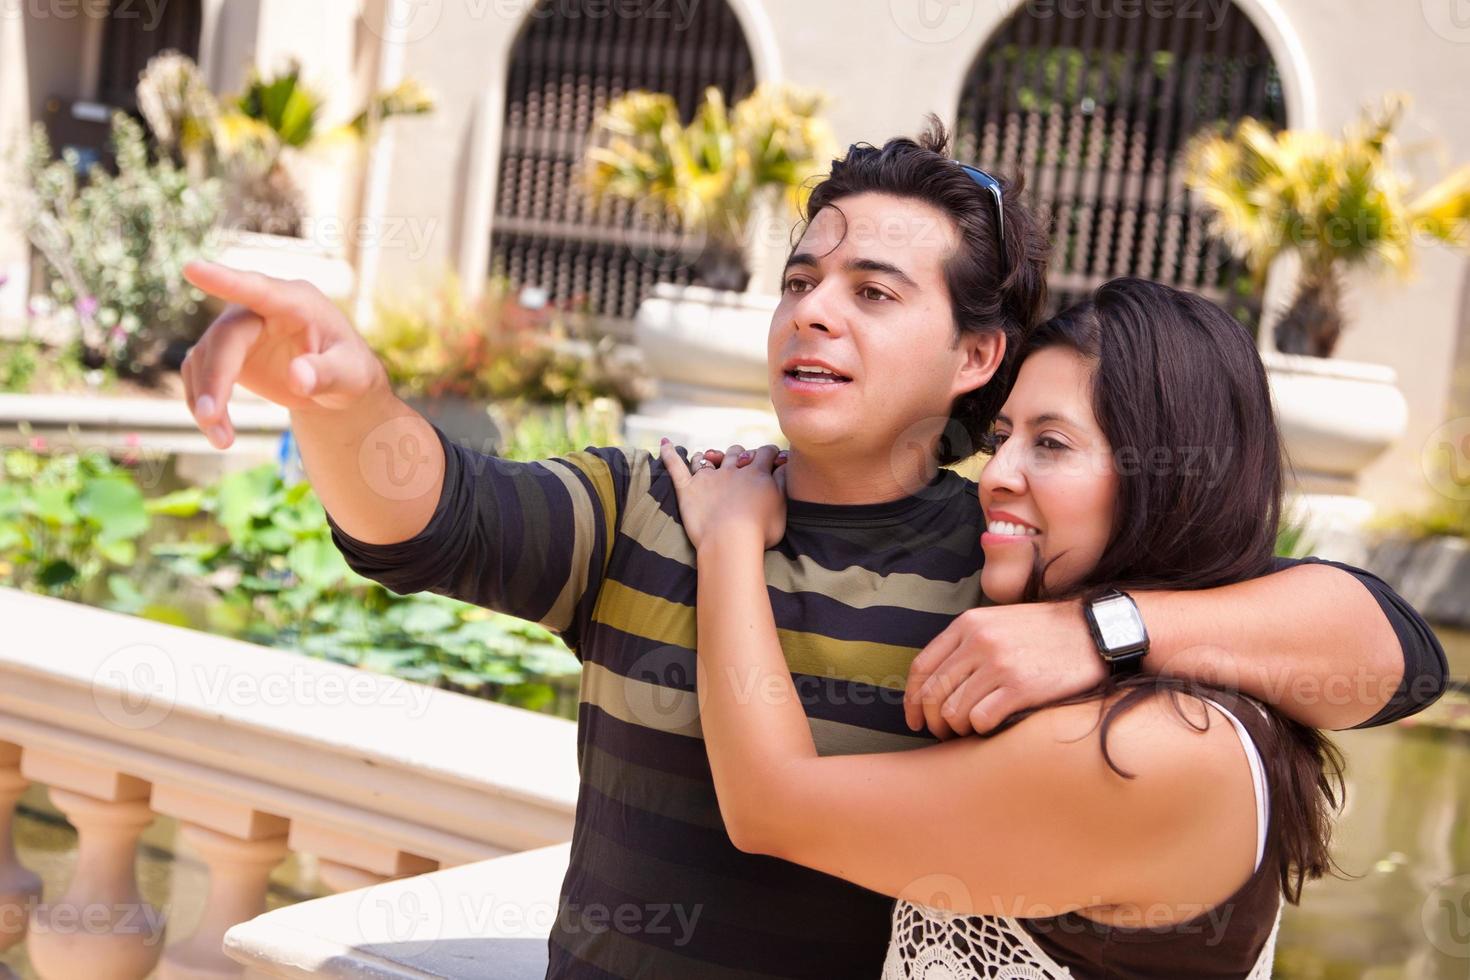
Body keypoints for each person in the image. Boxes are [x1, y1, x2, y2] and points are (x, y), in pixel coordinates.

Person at [178, 119, 1445, 978]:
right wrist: (344, 403)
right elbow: (436, 515)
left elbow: (1387, 647)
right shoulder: (659, 499)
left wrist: (1088, 628)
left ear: (972, 355)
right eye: (802, 278)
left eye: (875, 291)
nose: (815, 310)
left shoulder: (1016, 564)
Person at [660, 276, 1347, 977]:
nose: (998, 475)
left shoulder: (1148, 747)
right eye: (1001, 439)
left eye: (1050, 443)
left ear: (1168, 479)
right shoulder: (1179, 671)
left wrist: (731, 538)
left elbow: (772, 807)